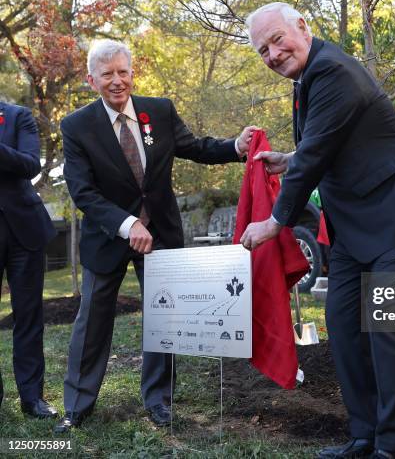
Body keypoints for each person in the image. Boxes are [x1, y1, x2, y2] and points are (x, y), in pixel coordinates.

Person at [241, 3, 395, 459]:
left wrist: (275, 222)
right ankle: (364, 437)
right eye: (263, 50)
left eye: (277, 40)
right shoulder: (308, 78)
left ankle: (393, 448)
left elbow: (318, 151)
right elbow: (327, 144)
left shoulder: (334, 70)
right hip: (356, 225)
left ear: (302, 27)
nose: (273, 54)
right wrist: (290, 159)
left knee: (388, 331)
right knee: (342, 326)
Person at [54, 39, 257, 433]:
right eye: (108, 74)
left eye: (123, 72)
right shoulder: (76, 126)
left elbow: (195, 147)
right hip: (107, 237)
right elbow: (83, 193)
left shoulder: (159, 111)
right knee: (92, 321)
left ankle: (158, 400)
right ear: (91, 79)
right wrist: (129, 225)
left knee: (164, 318)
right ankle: (77, 406)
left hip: (161, 233)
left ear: (132, 73)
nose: (117, 81)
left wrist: (235, 146)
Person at [0, 101, 57, 418]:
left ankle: (32, 398)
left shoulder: (17, 116)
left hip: (25, 230)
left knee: (29, 318)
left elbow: (30, 164)